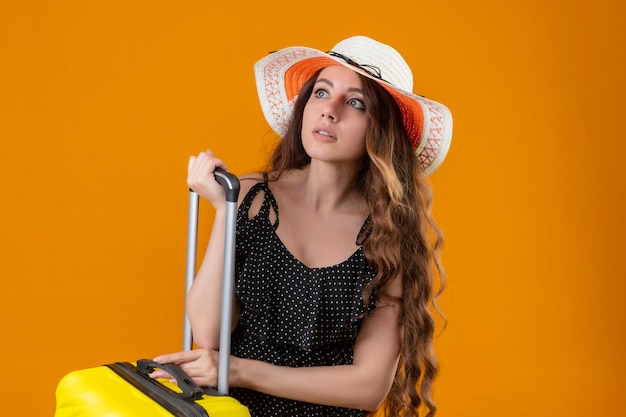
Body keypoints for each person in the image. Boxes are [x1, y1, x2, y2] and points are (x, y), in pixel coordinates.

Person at [150, 36, 453, 417]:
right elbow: (209, 335)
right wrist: (225, 212)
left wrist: (240, 370)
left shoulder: (387, 236)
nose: (330, 111)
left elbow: (369, 387)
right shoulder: (251, 197)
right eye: (321, 93)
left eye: (355, 102)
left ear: (381, 131)